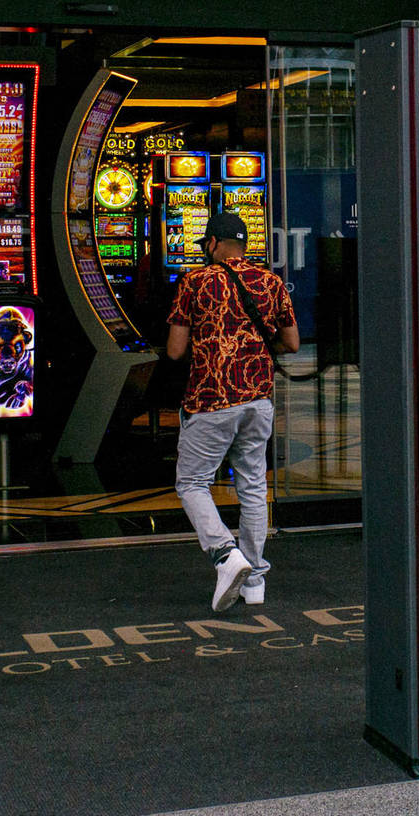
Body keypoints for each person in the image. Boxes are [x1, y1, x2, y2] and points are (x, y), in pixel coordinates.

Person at [167, 211, 298, 612]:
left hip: (211, 399)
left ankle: (226, 554)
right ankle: (255, 581)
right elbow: (291, 342)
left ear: (212, 243)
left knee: (191, 482)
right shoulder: (272, 282)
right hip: (258, 399)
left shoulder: (194, 281)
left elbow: (174, 350)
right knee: (254, 487)